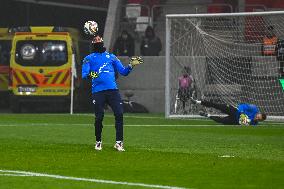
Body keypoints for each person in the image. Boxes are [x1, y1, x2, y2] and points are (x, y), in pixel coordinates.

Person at [82, 35, 143, 151]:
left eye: (99, 39)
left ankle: (119, 143)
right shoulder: (88, 58)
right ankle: (98, 141)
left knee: (119, 114)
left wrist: (131, 65)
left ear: (103, 42)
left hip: (113, 91)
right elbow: (85, 75)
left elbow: (123, 72)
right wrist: (94, 75)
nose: (98, 41)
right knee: (99, 117)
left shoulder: (112, 57)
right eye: (95, 40)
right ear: (93, 43)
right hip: (98, 91)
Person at [191, 98, 266, 126]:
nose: (256, 118)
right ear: (258, 113)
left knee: (221, 121)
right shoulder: (254, 108)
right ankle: (197, 101)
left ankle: (207, 115)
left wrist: (245, 122)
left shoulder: (254, 124)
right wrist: (242, 112)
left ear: (260, 120)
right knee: (217, 105)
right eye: (257, 116)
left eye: (258, 119)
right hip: (235, 111)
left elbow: (244, 124)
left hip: (235, 121)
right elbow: (242, 106)